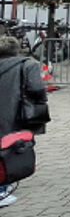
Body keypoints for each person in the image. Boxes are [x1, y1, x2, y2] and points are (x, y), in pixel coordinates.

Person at [0, 35, 48, 207]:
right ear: (16, 50)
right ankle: (3, 189)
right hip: (16, 112)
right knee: (10, 147)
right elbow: (36, 88)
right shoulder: (28, 65)